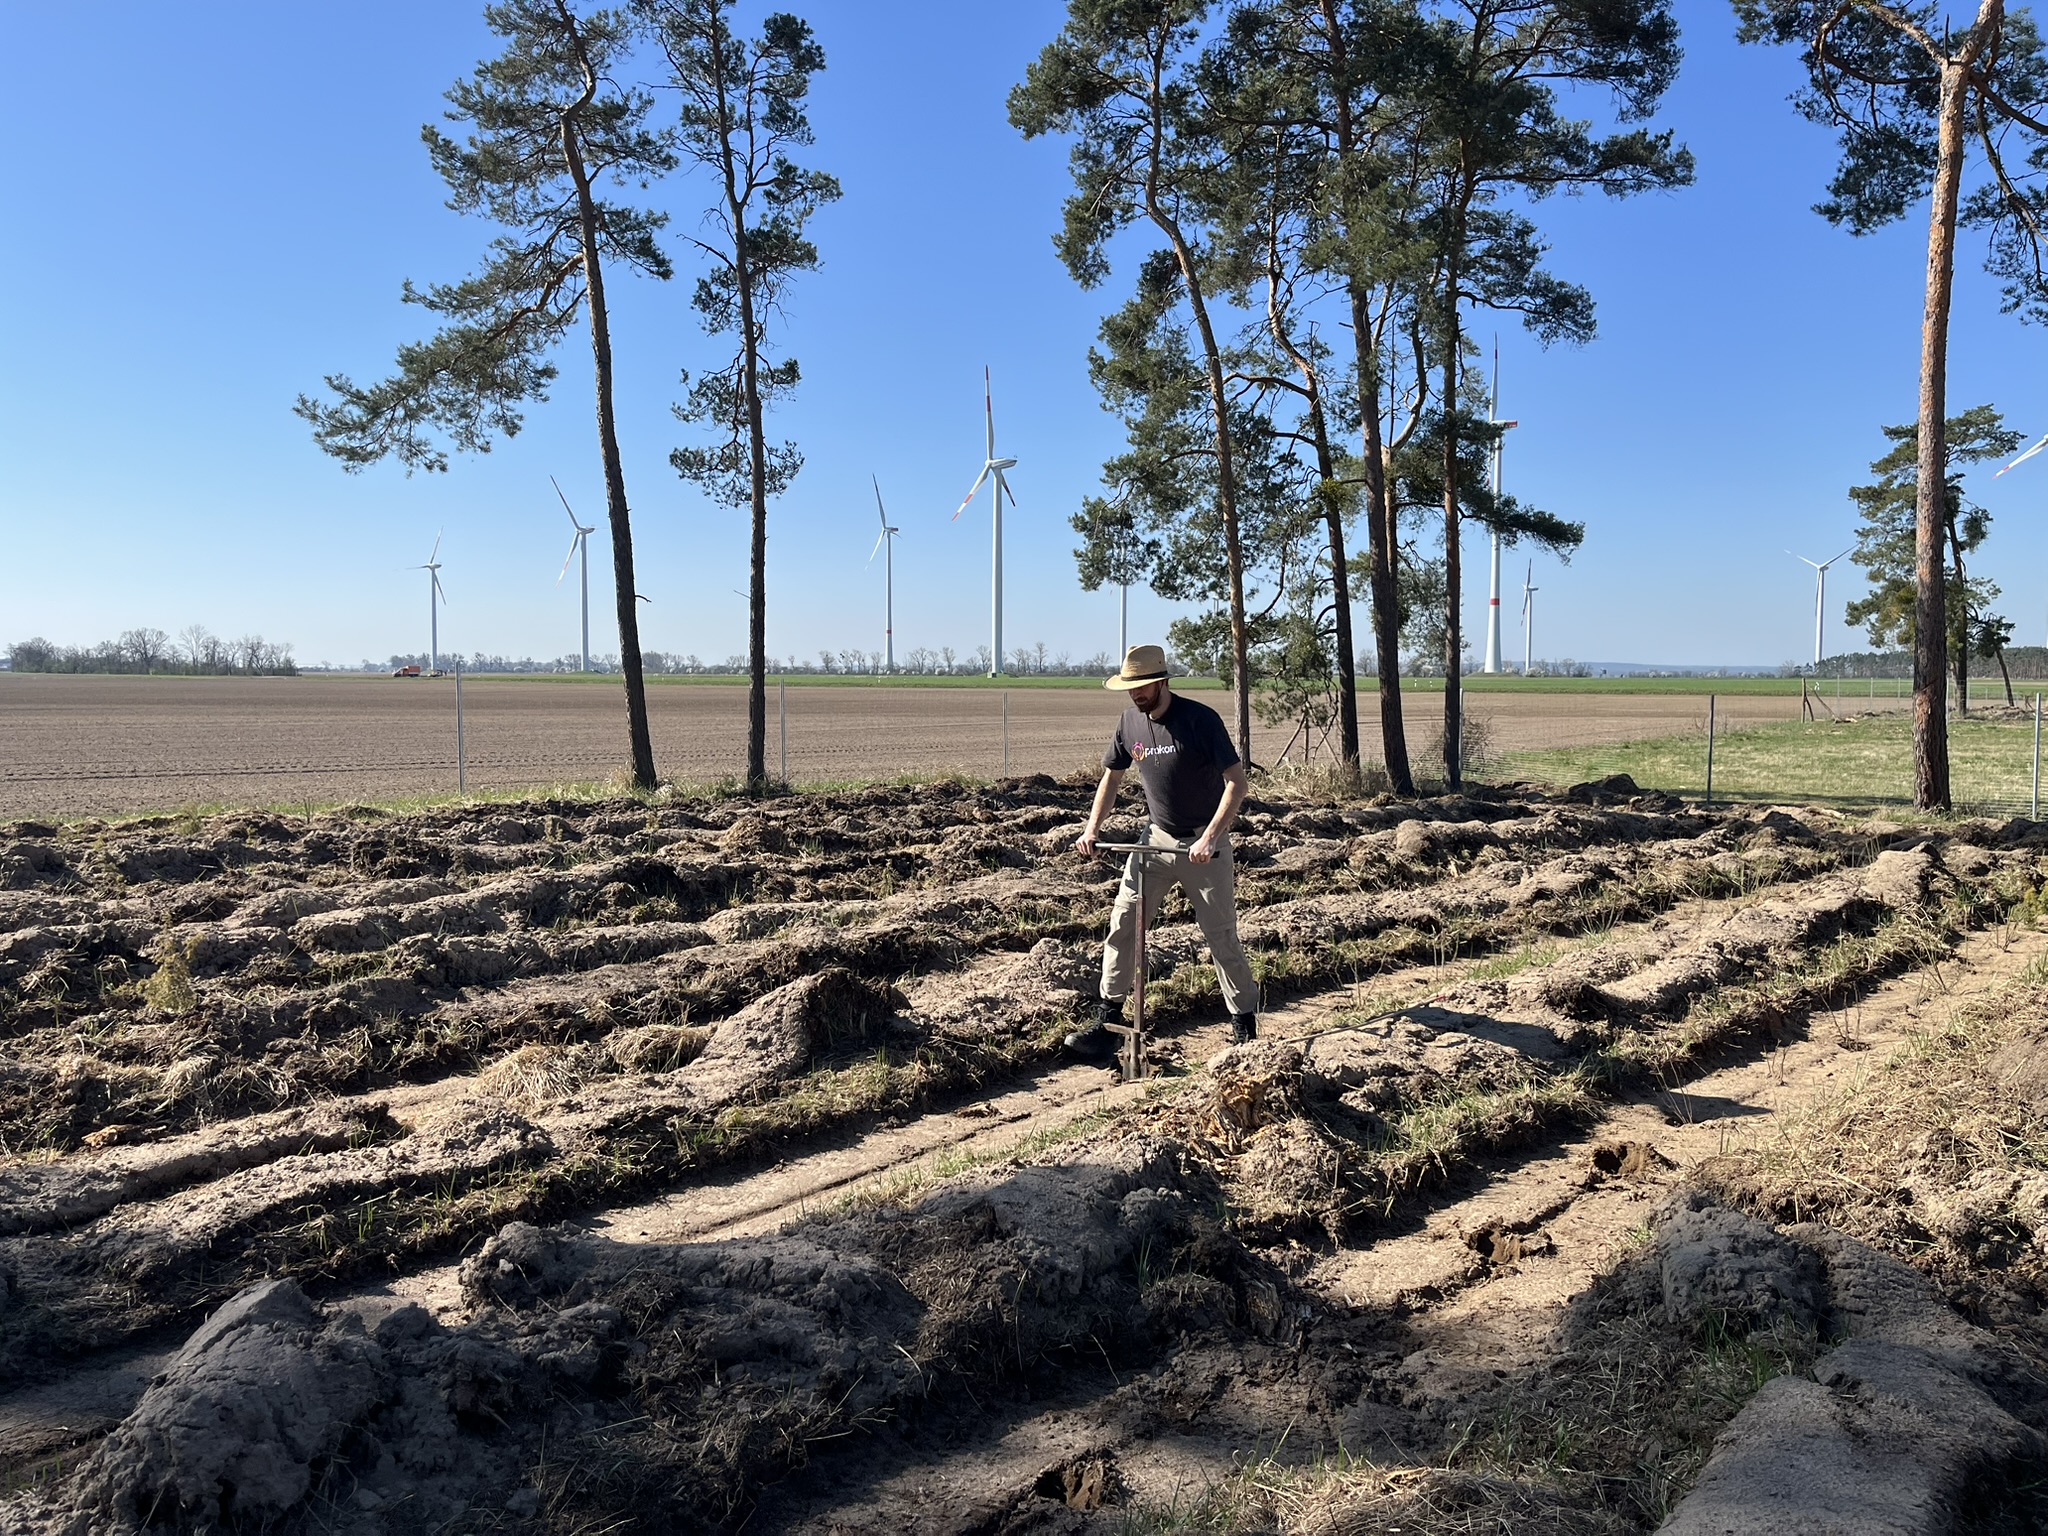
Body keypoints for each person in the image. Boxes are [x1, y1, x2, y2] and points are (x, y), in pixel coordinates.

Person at [1065, 643, 1259, 1061]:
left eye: (1143, 686)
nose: (1136, 694)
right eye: (1130, 687)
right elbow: (1111, 780)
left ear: (1162, 681)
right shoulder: (1129, 723)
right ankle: (1108, 1022)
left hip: (1203, 844)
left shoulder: (1199, 720)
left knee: (1221, 935)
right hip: (1153, 841)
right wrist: (1092, 829)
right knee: (1123, 923)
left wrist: (1210, 837)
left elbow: (1237, 784)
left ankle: (1245, 1028)